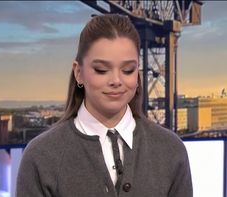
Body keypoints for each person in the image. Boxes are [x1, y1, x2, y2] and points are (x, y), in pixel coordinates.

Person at [16, 14, 192, 197]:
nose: (116, 80)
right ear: (78, 72)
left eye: (128, 70)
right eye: (101, 70)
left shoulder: (170, 150)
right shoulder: (41, 156)